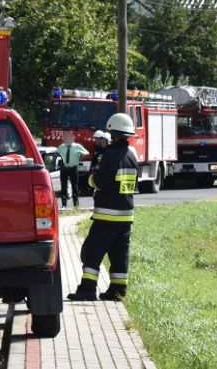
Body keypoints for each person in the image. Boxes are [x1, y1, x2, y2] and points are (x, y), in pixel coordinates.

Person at [68, 112, 138, 302]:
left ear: (113, 135)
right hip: (126, 215)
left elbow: (101, 181)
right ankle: (117, 291)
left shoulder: (110, 155)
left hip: (107, 216)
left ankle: (88, 289)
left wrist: (90, 180)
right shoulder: (131, 156)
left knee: (91, 251)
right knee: (119, 255)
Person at [56, 134, 89, 209]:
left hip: (73, 168)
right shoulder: (62, 146)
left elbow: (86, 153)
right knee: (63, 186)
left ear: (73, 139)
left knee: (75, 186)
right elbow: (56, 153)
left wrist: (80, 158)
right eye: (67, 138)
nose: (68, 139)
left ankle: (76, 205)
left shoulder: (77, 146)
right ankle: (64, 205)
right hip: (64, 168)